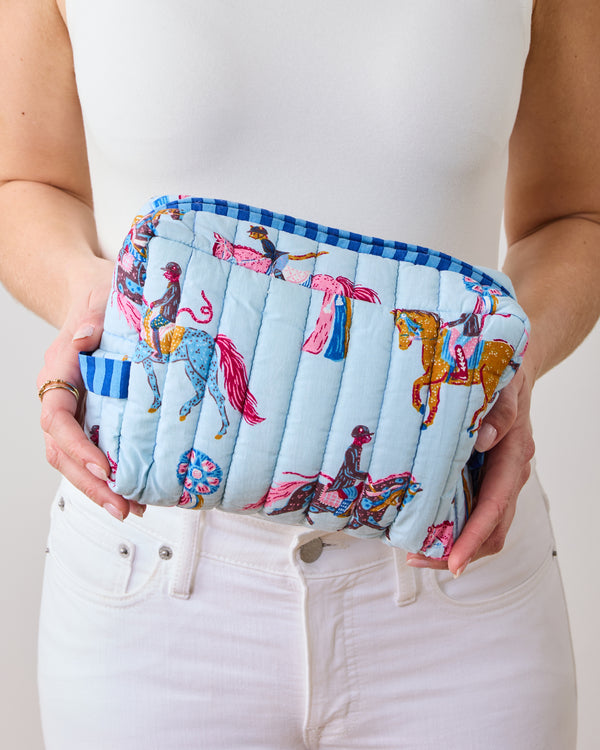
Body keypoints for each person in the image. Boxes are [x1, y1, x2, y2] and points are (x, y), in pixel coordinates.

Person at [1, 0, 599, 748]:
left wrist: (514, 366)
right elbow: (24, 180)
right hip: (148, 579)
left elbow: (576, 214)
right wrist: (88, 297)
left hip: (457, 582)